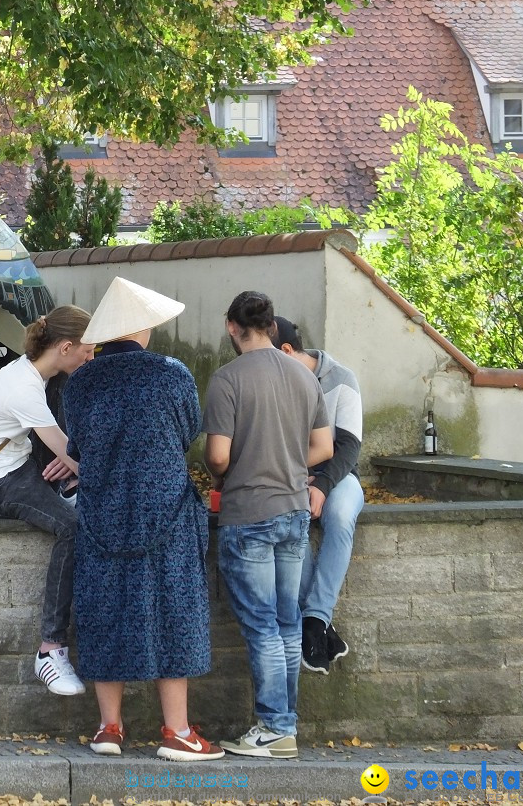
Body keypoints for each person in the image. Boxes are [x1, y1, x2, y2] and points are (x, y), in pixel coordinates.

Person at [62, 277, 224, 762]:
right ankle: (177, 732)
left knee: (102, 611)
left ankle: (109, 728)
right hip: (166, 515)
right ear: (143, 329)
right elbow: (189, 432)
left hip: (101, 512)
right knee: (173, 612)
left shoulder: (81, 382)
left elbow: (78, 445)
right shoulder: (173, 375)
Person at [203, 291, 332, 760]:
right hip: (294, 510)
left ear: (230, 326)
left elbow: (218, 455)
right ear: (271, 326)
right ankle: (284, 726)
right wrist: (290, 464)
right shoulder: (302, 375)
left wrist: (222, 467)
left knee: (261, 626)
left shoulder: (226, 380)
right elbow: (324, 447)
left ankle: (276, 728)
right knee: (287, 623)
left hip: (249, 512)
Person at [0, 305, 94, 696]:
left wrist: (68, 469)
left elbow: (67, 457)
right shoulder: (24, 387)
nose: (91, 357)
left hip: (17, 466)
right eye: (87, 350)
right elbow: (69, 453)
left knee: (78, 504)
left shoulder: (34, 374)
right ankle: (50, 649)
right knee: (72, 528)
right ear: (66, 347)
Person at [271, 316, 364, 675]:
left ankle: (312, 621)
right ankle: (321, 626)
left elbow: (350, 447)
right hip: (293, 477)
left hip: (340, 476)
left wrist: (322, 486)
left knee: (340, 517)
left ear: (288, 351)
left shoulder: (342, 378)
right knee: (291, 516)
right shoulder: (276, 382)